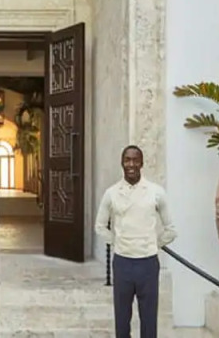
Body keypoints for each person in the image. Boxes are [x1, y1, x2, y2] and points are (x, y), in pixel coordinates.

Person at [95, 145, 177, 338]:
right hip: (122, 262)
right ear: (121, 163)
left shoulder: (156, 192)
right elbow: (100, 226)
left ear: (142, 163)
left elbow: (171, 229)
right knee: (122, 319)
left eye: (135, 160)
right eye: (127, 160)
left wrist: (153, 243)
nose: (131, 164)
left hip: (148, 263)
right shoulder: (112, 193)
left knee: (149, 319)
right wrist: (117, 241)